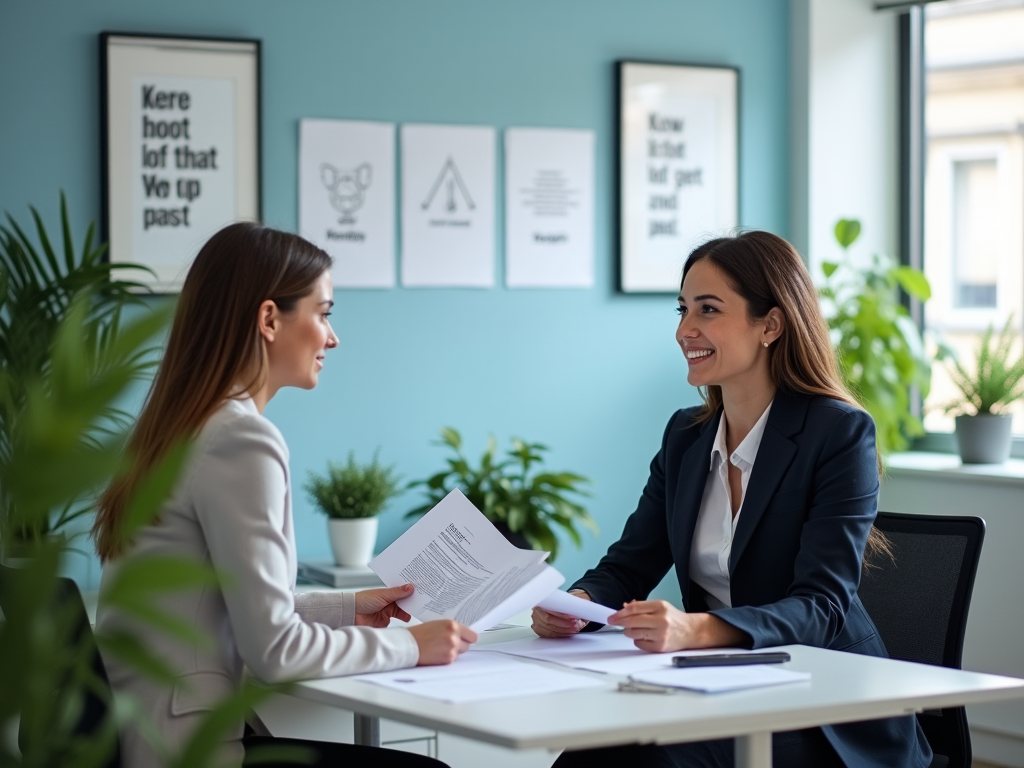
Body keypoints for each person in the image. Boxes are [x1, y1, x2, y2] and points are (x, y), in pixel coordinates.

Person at [533, 231, 932, 768]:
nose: (684, 330)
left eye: (708, 310)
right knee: (591, 754)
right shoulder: (686, 437)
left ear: (770, 324)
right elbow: (629, 565)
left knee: (654, 760)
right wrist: (579, 605)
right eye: (682, 309)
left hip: (822, 704)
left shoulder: (838, 434)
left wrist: (695, 628)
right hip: (718, 686)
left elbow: (822, 607)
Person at [92, 222, 477, 768]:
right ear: (270, 319)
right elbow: (275, 652)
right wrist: (414, 646)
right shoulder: (241, 439)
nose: (333, 337)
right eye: (323, 313)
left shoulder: (180, 426)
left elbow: (225, 605)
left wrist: (346, 607)